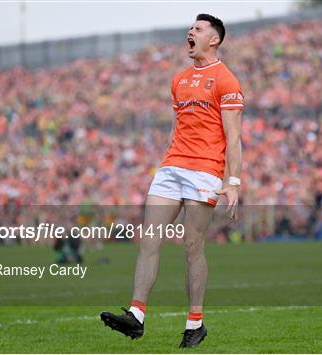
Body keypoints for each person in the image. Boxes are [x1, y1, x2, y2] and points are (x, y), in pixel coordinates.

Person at [100, 14, 244, 348]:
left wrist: (232, 181)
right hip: (172, 167)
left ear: (214, 39)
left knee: (192, 248)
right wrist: (168, 157)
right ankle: (135, 316)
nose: (190, 32)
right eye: (190, 28)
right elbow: (178, 125)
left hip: (205, 170)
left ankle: (196, 323)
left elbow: (233, 137)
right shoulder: (178, 79)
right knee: (149, 240)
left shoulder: (226, 80)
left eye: (198, 29)